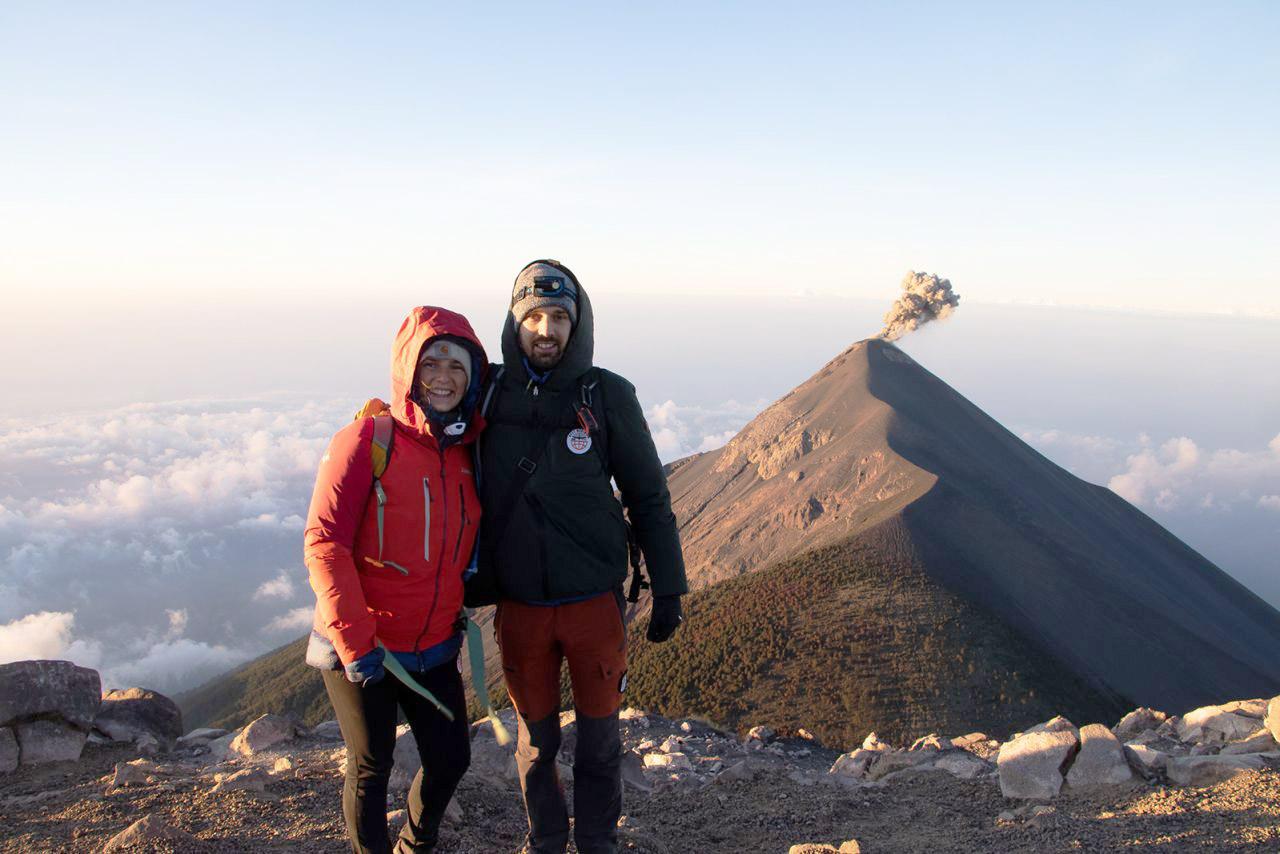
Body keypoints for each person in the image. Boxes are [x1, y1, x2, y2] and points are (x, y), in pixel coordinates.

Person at [469, 260, 688, 854]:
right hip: (520, 606)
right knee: (535, 744)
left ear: (578, 323)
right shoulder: (486, 391)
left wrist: (668, 587)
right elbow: (431, 428)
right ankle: (545, 841)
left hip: (593, 602)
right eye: (533, 316)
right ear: (514, 324)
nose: (546, 329)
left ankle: (596, 843)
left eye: (559, 317)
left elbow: (647, 494)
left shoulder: (607, 394)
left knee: (598, 742)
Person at [302, 306, 487, 854]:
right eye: (431, 363)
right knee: (372, 763)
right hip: (363, 643)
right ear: (408, 370)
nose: (445, 377)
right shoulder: (367, 440)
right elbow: (324, 541)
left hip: (433, 644)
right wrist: (356, 642)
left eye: (458, 365)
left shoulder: (468, 451)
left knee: (451, 759)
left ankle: (414, 846)